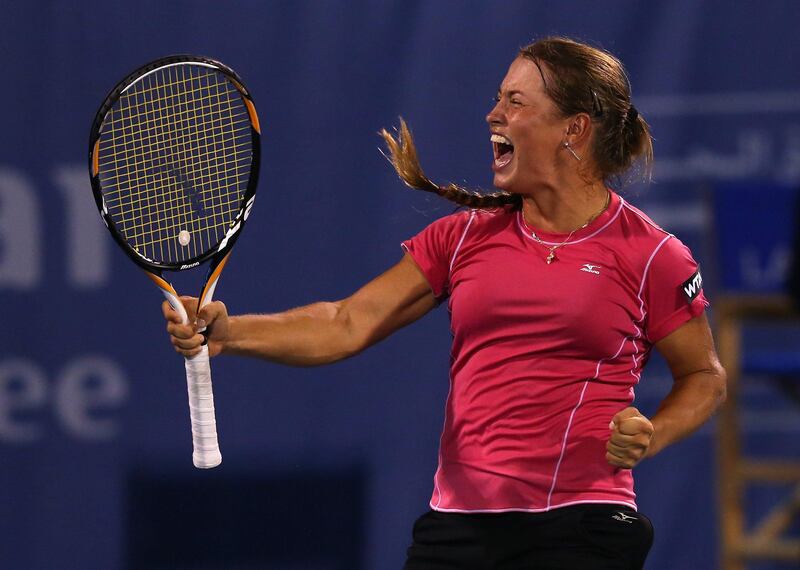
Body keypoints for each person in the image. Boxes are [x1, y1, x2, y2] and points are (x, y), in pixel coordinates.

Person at [164, 37, 727, 570]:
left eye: (515, 102)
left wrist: (651, 434)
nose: (493, 115)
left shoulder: (652, 254)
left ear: (573, 130)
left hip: (581, 525)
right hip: (457, 529)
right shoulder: (462, 238)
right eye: (496, 99)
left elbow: (704, 376)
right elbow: (346, 322)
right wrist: (229, 333)